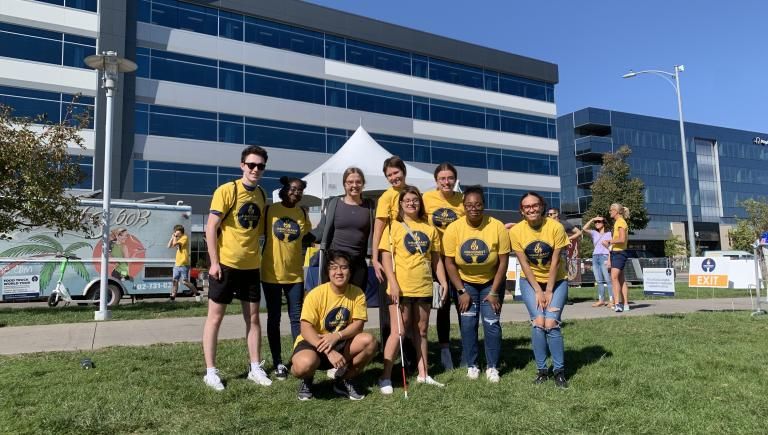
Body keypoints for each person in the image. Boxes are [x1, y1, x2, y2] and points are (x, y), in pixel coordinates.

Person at [202, 145, 271, 391]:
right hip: (225, 266)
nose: (255, 169)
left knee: (253, 319)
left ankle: (255, 368)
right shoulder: (227, 190)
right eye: (251, 165)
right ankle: (210, 372)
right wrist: (214, 262)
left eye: (260, 166)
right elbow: (211, 227)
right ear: (242, 165)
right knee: (215, 319)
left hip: (251, 266)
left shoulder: (262, 195)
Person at [379, 186, 449, 393]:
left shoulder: (430, 229)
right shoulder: (393, 227)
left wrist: (443, 281)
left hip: (424, 286)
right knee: (399, 331)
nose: (411, 203)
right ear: (400, 204)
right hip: (400, 288)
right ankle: (385, 377)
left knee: (422, 331)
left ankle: (423, 374)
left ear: (420, 203)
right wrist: (392, 283)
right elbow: (385, 258)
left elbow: (436, 260)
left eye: (415, 200)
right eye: (407, 200)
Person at [443, 186, 510, 383]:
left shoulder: (497, 226)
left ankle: (492, 367)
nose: (474, 208)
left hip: (491, 282)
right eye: (469, 205)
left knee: (491, 324)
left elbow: (503, 262)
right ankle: (472, 365)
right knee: (468, 324)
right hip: (465, 283)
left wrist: (495, 291)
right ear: (463, 206)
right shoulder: (453, 228)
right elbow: (449, 262)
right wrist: (461, 291)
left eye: (478, 204)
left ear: (484, 205)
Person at [291, 250, 378, 401]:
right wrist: (329, 351)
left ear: (350, 272)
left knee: (370, 342)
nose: (339, 272)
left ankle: (344, 379)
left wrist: (337, 336)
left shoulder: (357, 293)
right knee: (302, 366)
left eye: (344, 267)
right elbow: (305, 329)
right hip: (314, 342)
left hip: (340, 341)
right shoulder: (315, 294)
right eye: (334, 267)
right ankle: (307, 379)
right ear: (328, 271)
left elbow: (358, 325)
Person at [511, 192, 570, 388]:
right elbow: (524, 265)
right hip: (530, 282)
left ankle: (559, 371)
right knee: (538, 322)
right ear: (522, 211)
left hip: (557, 281)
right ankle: (542, 370)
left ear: (542, 207)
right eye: (527, 207)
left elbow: (555, 262)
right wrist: (538, 290)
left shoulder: (555, 227)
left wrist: (549, 290)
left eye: (535, 205)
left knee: (551, 322)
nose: (531, 209)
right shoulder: (516, 231)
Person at [261, 176, 313, 380]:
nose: (296, 192)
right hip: (271, 273)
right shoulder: (270, 210)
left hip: (295, 276)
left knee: (297, 319)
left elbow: (308, 236)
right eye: (292, 189)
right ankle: (278, 362)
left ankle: (298, 357)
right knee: (274, 319)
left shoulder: (301, 212)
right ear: (284, 190)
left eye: (299, 190)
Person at [422, 162, 464, 370]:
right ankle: (445, 349)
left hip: (459, 260)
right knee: (443, 305)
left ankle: (467, 349)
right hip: (436, 259)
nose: (447, 182)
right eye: (442, 179)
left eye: (450, 178)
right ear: (436, 181)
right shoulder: (427, 198)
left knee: (464, 304)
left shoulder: (462, 200)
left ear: (455, 179)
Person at [313, 167, 376, 291]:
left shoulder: (370, 207)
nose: (354, 185)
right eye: (350, 182)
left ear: (363, 184)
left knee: (356, 302)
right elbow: (321, 229)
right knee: (332, 301)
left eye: (358, 182)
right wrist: (303, 236)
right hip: (335, 260)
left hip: (358, 262)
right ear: (344, 185)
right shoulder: (334, 203)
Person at [372, 156, 407, 282]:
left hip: (410, 248)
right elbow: (377, 231)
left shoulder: (412, 192)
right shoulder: (386, 197)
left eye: (396, 172)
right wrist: (375, 259)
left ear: (404, 170)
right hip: (391, 253)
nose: (393, 177)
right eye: (389, 175)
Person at [546, 208, 581, 304]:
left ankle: (564, 298)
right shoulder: (546, 224)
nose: (549, 216)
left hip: (562, 252)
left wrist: (568, 238)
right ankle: (551, 296)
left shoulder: (564, 223)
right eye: (548, 214)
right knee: (551, 273)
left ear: (556, 214)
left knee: (563, 275)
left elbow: (578, 232)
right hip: (550, 252)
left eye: (551, 214)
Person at [582, 216, 613, 307]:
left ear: (604, 223)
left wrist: (609, 260)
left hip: (605, 256)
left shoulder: (609, 233)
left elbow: (611, 248)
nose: (597, 223)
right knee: (599, 280)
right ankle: (601, 300)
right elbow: (584, 228)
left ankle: (612, 300)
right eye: (595, 222)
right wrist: (592, 219)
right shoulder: (594, 233)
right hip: (595, 257)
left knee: (608, 280)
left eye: (599, 221)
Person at [606, 203, 631, 312]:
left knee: (614, 278)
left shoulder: (620, 222)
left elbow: (621, 239)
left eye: (611, 210)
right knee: (621, 279)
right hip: (616, 252)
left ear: (616, 211)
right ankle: (625, 304)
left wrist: (609, 241)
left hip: (619, 253)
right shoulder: (618, 222)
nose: (610, 212)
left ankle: (617, 304)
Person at [167, 224, 200, 302]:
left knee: (185, 281)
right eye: (175, 232)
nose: (175, 233)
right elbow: (168, 246)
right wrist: (172, 238)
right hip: (177, 264)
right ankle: (172, 298)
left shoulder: (185, 237)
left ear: (181, 232)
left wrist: (174, 237)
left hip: (184, 263)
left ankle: (197, 293)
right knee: (175, 280)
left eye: (177, 231)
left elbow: (175, 244)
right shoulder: (177, 238)